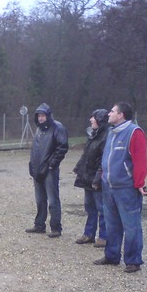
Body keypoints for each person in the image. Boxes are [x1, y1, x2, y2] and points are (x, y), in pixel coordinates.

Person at [93, 102, 147, 272]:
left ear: (121, 114)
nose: (109, 114)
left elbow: (140, 161)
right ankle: (112, 255)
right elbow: (106, 158)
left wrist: (139, 183)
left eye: (112, 111)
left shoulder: (134, 132)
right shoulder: (111, 132)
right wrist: (102, 178)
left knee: (131, 225)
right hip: (109, 186)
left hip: (126, 188)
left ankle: (133, 260)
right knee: (111, 224)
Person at [26, 103, 69, 238]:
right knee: (40, 200)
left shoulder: (57, 128)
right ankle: (39, 224)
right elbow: (35, 149)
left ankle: (56, 227)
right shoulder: (39, 130)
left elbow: (62, 147)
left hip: (50, 170)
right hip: (37, 169)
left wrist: (52, 164)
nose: (40, 118)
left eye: (43, 115)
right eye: (39, 116)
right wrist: (32, 166)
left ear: (48, 116)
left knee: (53, 200)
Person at [73, 109, 109, 247]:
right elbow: (86, 154)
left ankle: (104, 236)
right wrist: (78, 168)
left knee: (102, 208)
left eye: (93, 118)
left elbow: (103, 161)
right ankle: (89, 234)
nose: (91, 120)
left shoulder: (106, 137)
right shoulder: (93, 135)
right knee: (90, 207)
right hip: (88, 177)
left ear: (100, 120)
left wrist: (97, 179)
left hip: (97, 178)